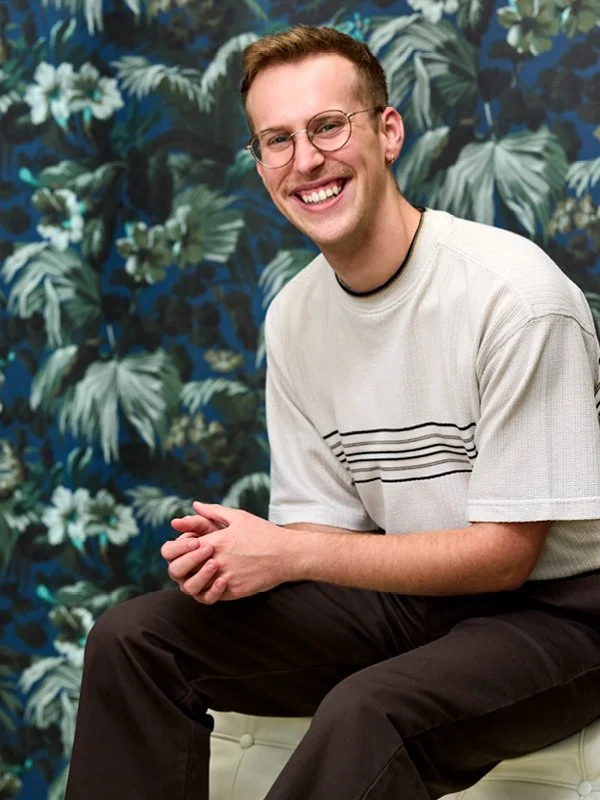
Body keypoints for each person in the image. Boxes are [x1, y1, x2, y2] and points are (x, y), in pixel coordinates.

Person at [65, 25, 600, 800]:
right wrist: (243, 556)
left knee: (366, 711)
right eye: (276, 141)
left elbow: (506, 556)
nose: (305, 161)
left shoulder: (515, 297)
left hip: (565, 612)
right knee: (133, 639)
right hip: (414, 600)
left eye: (326, 126)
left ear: (387, 132)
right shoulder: (294, 318)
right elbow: (326, 533)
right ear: (258, 165)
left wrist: (287, 554)